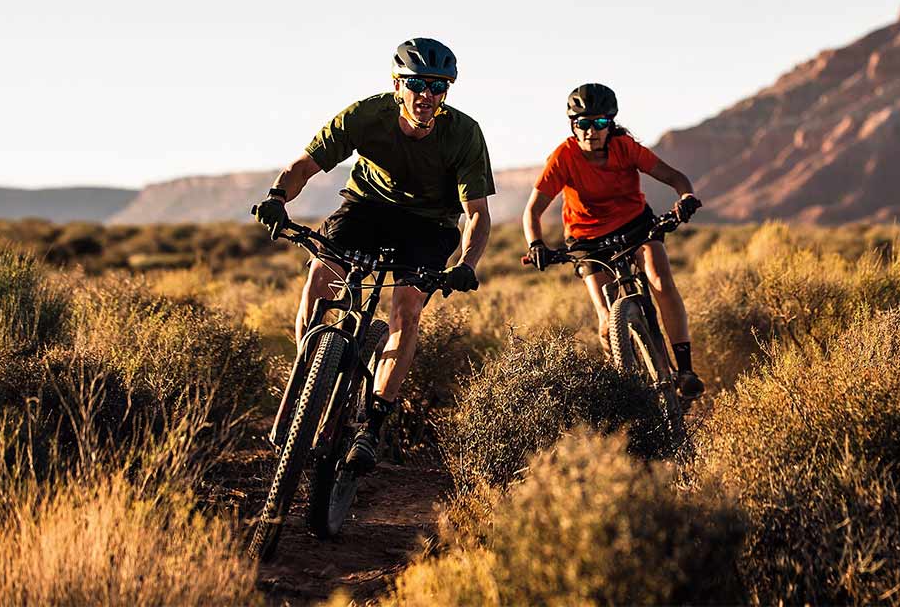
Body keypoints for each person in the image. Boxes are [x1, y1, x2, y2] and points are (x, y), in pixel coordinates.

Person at [252, 37, 494, 471]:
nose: (426, 95)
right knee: (320, 276)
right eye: (417, 83)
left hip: (431, 223)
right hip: (367, 207)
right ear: (397, 83)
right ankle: (310, 374)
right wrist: (276, 198)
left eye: (438, 87)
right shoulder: (366, 115)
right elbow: (303, 167)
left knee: (407, 308)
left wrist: (466, 265)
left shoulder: (463, 134)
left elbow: (477, 215)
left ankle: (373, 423)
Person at [521, 82, 705, 399]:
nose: (591, 131)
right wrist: (536, 244)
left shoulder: (625, 147)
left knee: (661, 280)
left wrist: (685, 197)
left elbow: (675, 178)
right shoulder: (563, 157)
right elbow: (533, 212)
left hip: (636, 225)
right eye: (583, 124)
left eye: (600, 123)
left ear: (610, 124)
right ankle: (622, 388)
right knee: (607, 319)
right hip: (587, 239)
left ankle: (685, 370)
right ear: (573, 125)